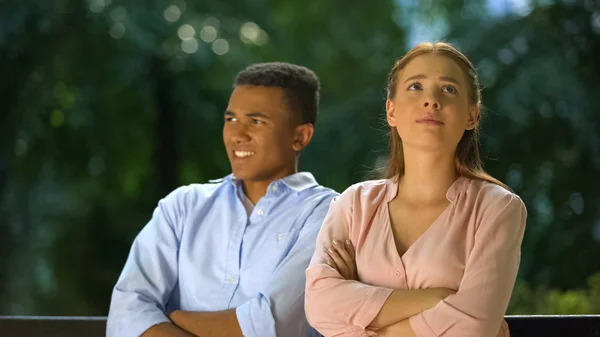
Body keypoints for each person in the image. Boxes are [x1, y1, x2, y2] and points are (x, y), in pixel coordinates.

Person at [305, 42, 527, 337]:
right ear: (391, 111)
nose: (431, 100)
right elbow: (319, 304)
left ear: (472, 116)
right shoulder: (353, 205)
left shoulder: (497, 209)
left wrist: (360, 310)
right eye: (415, 87)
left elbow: (472, 327)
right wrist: (438, 299)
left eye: (448, 89)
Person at [107, 62, 338, 337]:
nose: (237, 135)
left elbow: (272, 325)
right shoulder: (182, 207)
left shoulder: (328, 214)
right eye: (231, 120)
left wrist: (174, 318)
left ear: (300, 136)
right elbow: (128, 310)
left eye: (256, 121)